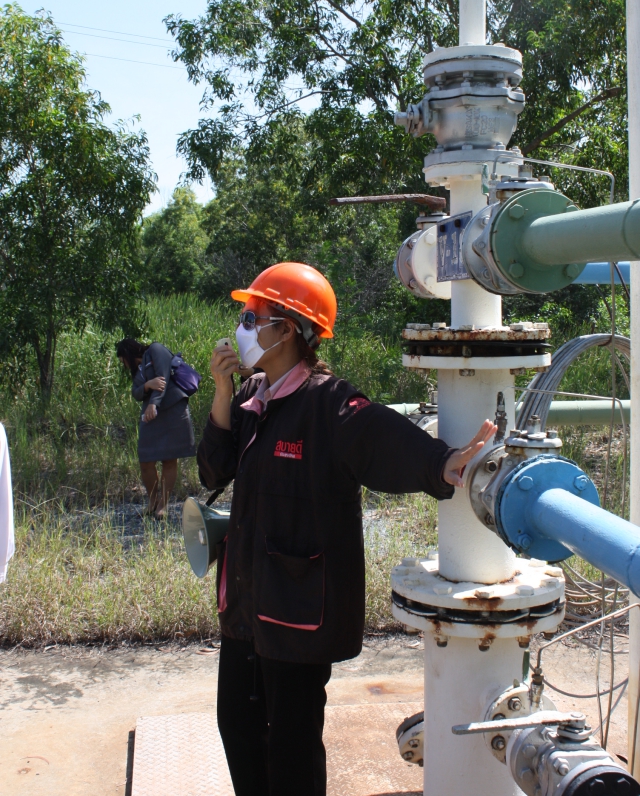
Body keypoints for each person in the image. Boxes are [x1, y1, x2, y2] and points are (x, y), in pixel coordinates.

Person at [196, 262, 496, 796]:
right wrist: (222, 393)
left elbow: (381, 437)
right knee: (237, 727)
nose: (242, 328)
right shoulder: (252, 397)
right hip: (244, 606)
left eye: (252, 317)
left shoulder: (328, 402)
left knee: (290, 750)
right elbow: (213, 472)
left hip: (296, 614)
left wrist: (442, 463)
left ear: (287, 329)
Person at [117, 338, 196, 518]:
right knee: (146, 459)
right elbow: (136, 392)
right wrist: (147, 385)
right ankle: (152, 501)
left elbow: (163, 377)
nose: (123, 364)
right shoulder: (138, 370)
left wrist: (154, 403)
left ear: (128, 353)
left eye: (123, 360)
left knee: (169, 459)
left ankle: (163, 505)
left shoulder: (156, 349)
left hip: (172, 409)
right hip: (151, 414)